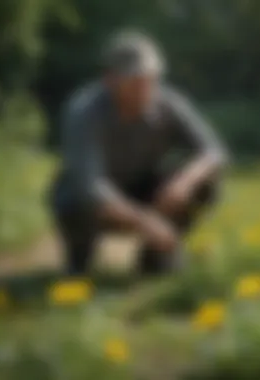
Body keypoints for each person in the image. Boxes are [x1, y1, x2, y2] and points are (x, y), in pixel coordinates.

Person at [50, 31, 229, 277]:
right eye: (135, 81)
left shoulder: (170, 103)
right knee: (75, 202)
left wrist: (184, 182)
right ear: (110, 80)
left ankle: (154, 260)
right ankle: (80, 256)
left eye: (151, 79)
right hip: (89, 198)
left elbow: (214, 151)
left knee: (206, 183)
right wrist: (146, 223)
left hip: (141, 186)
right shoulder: (83, 111)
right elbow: (91, 188)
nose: (145, 89)